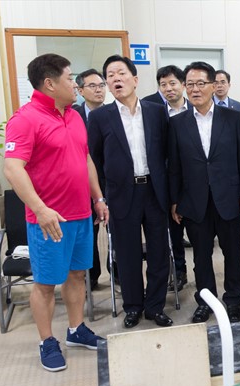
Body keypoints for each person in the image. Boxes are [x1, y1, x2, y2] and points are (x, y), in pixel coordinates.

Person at [4, 53, 107, 372]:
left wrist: (98, 197)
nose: (75, 84)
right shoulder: (25, 119)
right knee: (46, 284)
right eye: (70, 78)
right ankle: (47, 341)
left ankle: (76, 330)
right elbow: (12, 168)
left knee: (77, 274)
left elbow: (85, 159)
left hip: (80, 214)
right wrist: (40, 209)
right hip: (48, 220)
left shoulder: (74, 116)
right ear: (50, 84)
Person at [88, 55, 173, 329]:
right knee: (127, 254)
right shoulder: (100, 117)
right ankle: (133, 306)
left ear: (135, 79)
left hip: (154, 191)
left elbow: (167, 153)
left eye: (121, 73)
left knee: (159, 252)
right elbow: (94, 161)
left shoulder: (156, 112)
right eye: (110, 75)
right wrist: (101, 197)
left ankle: (155, 306)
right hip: (121, 195)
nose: (115, 79)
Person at [168, 61, 240, 324]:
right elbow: (174, 165)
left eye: (200, 83)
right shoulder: (177, 123)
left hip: (229, 198)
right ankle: (206, 302)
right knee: (201, 256)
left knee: (233, 254)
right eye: (190, 84)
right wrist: (175, 200)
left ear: (213, 86)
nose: (195, 89)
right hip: (194, 201)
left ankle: (233, 300)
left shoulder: (234, 118)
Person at [142, 65, 191, 292]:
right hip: (168, 181)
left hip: (195, 180)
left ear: (183, 84)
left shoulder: (196, 106)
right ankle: (179, 271)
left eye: (172, 83)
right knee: (174, 230)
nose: (168, 89)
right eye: (163, 85)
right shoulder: (153, 111)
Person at [73, 69, 107, 290]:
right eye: (92, 86)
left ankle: (118, 272)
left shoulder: (112, 113)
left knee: (116, 232)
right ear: (80, 90)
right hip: (83, 185)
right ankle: (92, 275)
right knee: (89, 233)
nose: (98, 90)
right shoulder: (72, 116)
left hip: (110, 181)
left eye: (101, 85)